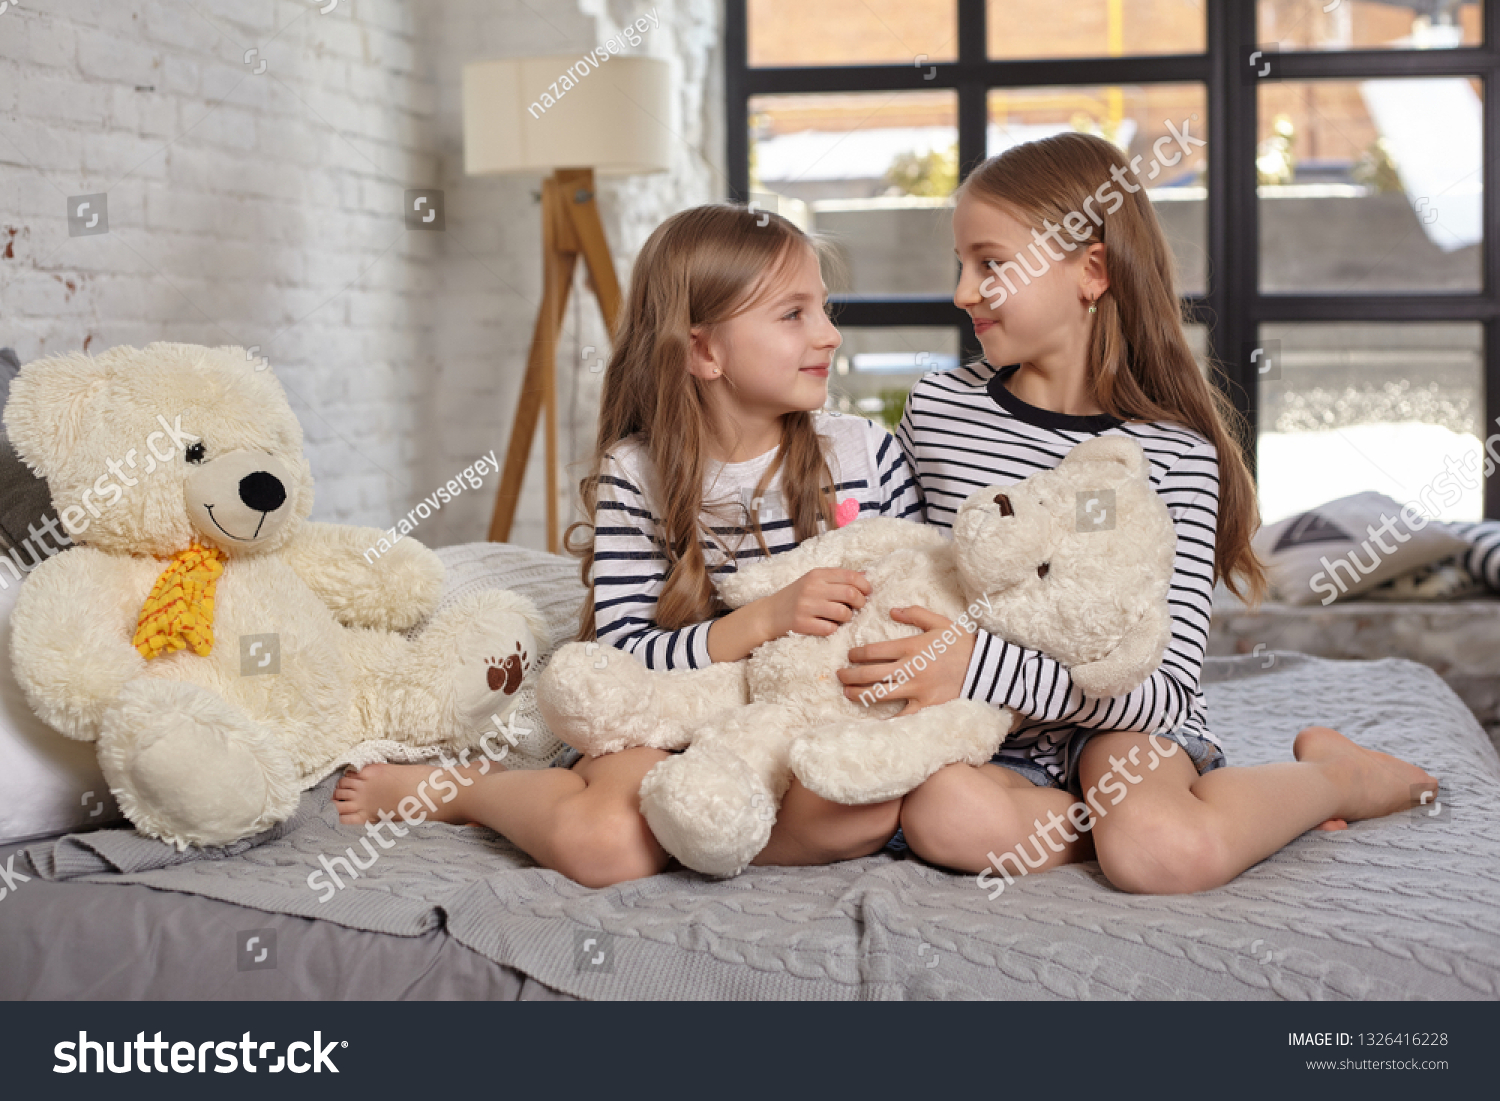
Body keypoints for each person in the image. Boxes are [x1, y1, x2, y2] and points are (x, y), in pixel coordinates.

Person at [832, 131, 1440, 894]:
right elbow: (906, 572)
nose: (961, 291)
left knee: (1159, 852)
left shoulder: (1174, 458)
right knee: (944, 820)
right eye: (960, 264)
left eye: (989, 263)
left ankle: (1338, 776)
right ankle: (1094, 819)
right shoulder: (942, 408)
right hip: (975, 726)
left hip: (1118, 720)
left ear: (1092, 271)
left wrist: (977, 665)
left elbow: (1162, 686)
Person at [333, 204, 925, 886]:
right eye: (793, 315)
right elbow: (624, 650)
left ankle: (702, 831)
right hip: (673, 710)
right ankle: (467, 791)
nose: (828, 336)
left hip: (808, 712)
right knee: (605, 845)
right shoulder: (637, 472)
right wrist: (763, 620)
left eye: (825, 309)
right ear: (704, 350)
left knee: (862, 815)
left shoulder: (865, 455)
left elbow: (912, 601)